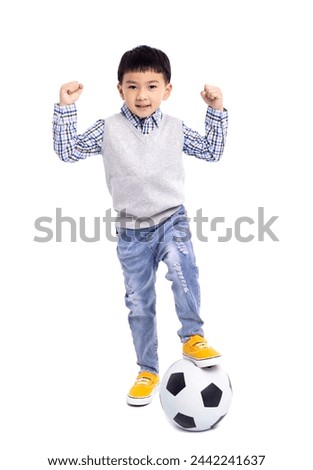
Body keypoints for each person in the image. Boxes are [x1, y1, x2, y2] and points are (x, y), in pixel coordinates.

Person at [53, 45, 228, 406]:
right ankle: (147, 369)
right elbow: (69, 151)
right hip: (131, 231)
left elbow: (212, 151)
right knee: (139, 301)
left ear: (167, 90)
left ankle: (193, 335)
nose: (142, 95)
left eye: (152, 86)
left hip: (171, 219)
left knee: (183, 269)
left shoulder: (176, 128)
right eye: (133, 86)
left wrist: (215, 110)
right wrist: (66, 108)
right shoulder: (107, 129)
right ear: (120, 89)